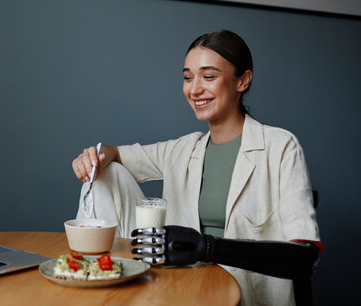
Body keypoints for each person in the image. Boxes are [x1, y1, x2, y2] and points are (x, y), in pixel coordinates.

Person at [71, 30, 322, 306]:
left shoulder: (281, 147)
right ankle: (96, 282)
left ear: (243, 80)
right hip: (182, 288)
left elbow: (305, 258)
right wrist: (94, 155)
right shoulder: (183, 150)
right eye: (188, 77)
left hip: (246, 296)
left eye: (209, 76)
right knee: (106, 172)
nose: (194, 89)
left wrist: (207, 247)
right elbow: (114, 154)